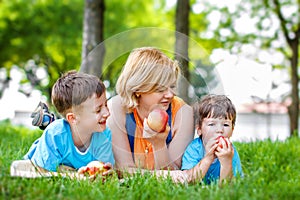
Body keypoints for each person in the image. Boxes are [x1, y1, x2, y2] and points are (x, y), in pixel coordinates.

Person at [10, 70, 114, 178]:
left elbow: (103, 169)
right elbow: (42, 172)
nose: (107, 113)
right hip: (44, 157)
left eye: (106, 105)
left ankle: (48, 119)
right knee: (56, 131)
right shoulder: (55, 135)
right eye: (98, 110)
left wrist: (106, 171)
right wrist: (76, 177)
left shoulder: (105, 134)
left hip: (68, 151)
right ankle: (47, 120)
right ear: (73, 118)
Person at [107, 47, 194, 172]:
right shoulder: (116, 109)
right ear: (137, 90)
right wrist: (156, 176)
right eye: (160, 89)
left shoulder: (183, 113)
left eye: (172, 86)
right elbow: (124, 170)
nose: (170, 94)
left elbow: (173, 174)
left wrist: (159, 144)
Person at [181, 94, 243, 184]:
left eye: (225, 125)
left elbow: (228, 188)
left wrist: (227, 162)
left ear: (232, 130)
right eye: (211, 124)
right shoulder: (194, 149)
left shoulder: (230, 153)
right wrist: (208, 158)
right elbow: (188, 181)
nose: (220, 130)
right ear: (199, 129)